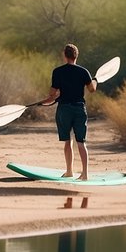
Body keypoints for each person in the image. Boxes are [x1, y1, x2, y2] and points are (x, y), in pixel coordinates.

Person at [42, 43, 96, 180]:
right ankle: (85, 174)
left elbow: (52, 94)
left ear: (65, 56)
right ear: (76, 56)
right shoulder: (84, 71)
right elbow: (92, 89)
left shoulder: (57, 71)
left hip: (64, 110)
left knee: (67, 141)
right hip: (79, 109)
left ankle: (69, 171)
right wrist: (95, 80)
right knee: (81, 142)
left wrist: (45, 101)